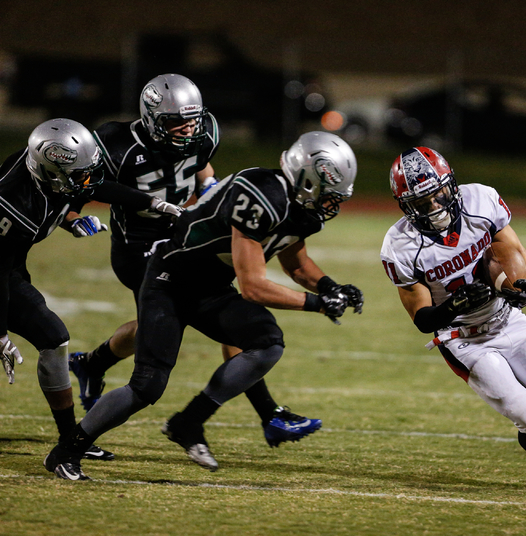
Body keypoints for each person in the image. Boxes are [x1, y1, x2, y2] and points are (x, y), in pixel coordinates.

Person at [45, 131, 364, 480]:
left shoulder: (300, 208)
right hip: (170, 279)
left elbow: (297, 263)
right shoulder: (261, 194)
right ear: (305, 179)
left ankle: (188, 422)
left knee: (267, 341)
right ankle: (67, 450)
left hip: (209, 287)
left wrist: (333, 287)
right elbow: (254, 287)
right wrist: (319, 303)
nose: (333, 203)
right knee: (146, 387)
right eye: (329, 193)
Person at [68, 73, 322, 448]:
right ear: (153, 118)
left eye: (193, 120)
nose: (188, 129)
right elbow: (83, 186)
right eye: (177, 122)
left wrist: (209, 189)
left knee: (168, 321)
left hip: (180, 239)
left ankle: (94, 363)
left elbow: (202, 165)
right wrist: (79, 219)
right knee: (209, 312)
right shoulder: (116, 142)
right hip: (137, 247)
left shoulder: (204, 133)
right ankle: (269, 414)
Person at [380, 146, 526, 492]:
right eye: (420, 203)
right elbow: (423, 318)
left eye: (437, 194)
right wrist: (455, 304)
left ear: (451, 185)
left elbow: (513, 250)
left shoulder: (481, 201)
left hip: (506, 319)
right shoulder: (399, 245)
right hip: (462, 338)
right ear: (405, 206)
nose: (433, 207)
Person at [0, 118, 182, 470]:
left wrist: (154, 204)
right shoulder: (13, 201)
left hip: (9, 268)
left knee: (55, 341)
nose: (86, 179)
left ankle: (71, 439)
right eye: (77, 173)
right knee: (52, 335)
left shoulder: (49, 171)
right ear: (49, 170)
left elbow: (97, 188)